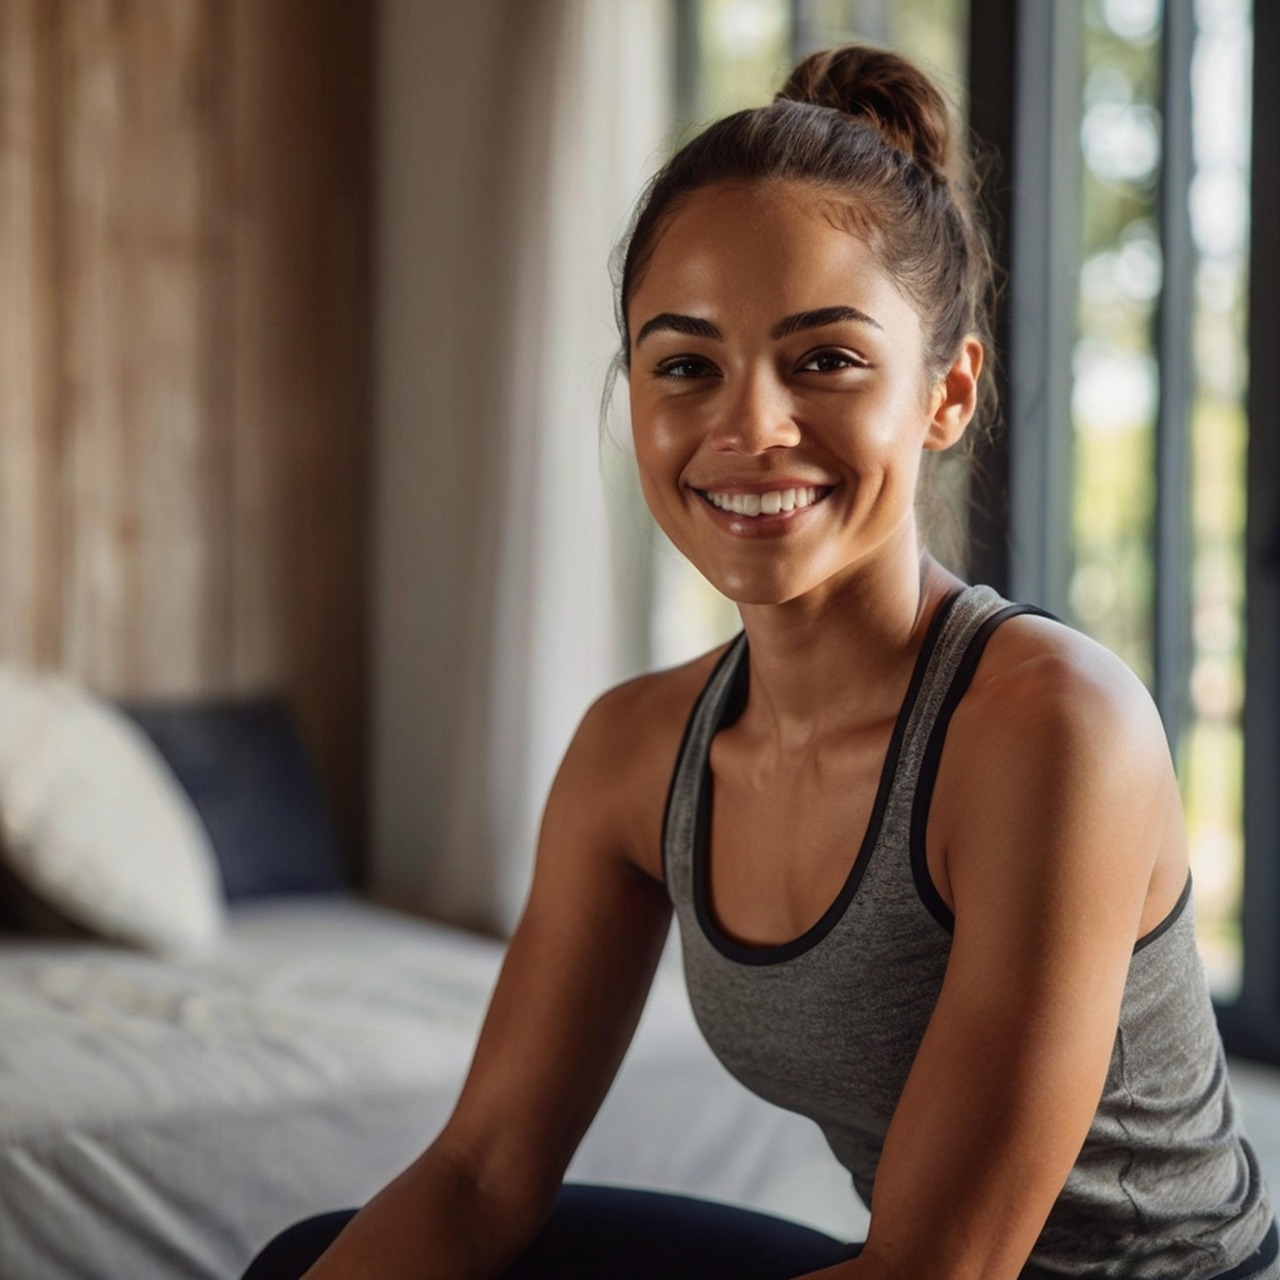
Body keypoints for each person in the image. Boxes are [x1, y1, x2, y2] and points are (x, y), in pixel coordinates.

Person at [243, 42, 1278, 1280]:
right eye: (684, 364)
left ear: (944, 394)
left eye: (824, 359)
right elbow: (480, 1173)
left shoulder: (1051, 730)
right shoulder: (635, 755)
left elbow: (932, 1275)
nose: (748, 427)